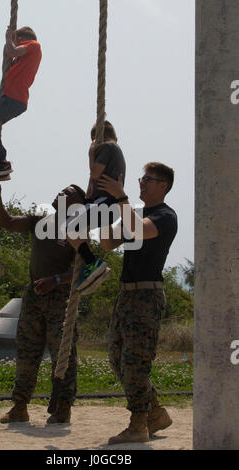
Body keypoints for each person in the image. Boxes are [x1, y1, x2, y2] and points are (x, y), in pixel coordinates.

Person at [0, 183, 86, 424]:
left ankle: (63, 407)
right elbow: (8, 222)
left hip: (60, 300)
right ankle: (19, 406)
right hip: (34, 296)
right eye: (60, 191)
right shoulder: (40, 222)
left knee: (62, 355)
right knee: (27, 351)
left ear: (76, 205)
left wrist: (56, 280)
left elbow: (83, 270)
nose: (60, 194)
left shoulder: (76, 231)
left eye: (67, 193)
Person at [97, 162, 178, 444]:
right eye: (141, 178)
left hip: (146, 296)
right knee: (118, 359)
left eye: (148, 179)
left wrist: (120, 198)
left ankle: (138, 425)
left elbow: (140, 230)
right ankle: (155, 413)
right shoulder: (136, 214)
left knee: (135, 362)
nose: (141, 182)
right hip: (126, 295)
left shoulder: (166, 216)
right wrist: (103, 208)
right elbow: (107, 244)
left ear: (163, 185)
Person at [65, 121, 126, 293]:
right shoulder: (115, 151)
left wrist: (91, 154)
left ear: (96, 141)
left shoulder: (107, 147)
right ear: (116, 136)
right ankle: (91, 266)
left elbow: (95, 172)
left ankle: (93, 263)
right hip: (106, 204)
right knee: (74, 228)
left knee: (69, 226)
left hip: (106, 203)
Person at [0, 26, 42, 179]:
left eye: (17, 40)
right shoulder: (21, 59)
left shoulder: (34, 45)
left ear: (21, 39)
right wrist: (8, 43)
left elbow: (12, 51)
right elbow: (8, 55)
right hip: (12, 99)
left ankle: (0, 161)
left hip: (13, 98)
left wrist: (8, 39)